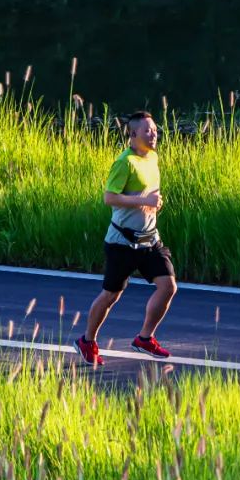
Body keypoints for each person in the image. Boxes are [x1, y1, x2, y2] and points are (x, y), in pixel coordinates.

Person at [74, 111, 177, 366]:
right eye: (147, 131)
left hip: (150, 239)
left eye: (155, 130)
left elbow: (148, 193)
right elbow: (109, 197)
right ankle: (87, 341)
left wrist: (154, 203)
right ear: (133, 134)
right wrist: (144, 200)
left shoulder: (152, 157)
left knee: (168, 286)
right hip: (122, 242)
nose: (153, 135)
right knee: (111, 295)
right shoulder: (125, 162)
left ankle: (144, 338)